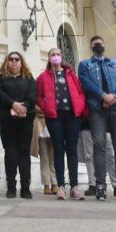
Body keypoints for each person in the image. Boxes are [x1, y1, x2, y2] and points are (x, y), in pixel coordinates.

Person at [77, 36, 116, 202]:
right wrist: (103, 96)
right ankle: (101, 186)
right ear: (91, 46)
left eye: (100, 43)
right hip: (97, 109)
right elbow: (85, 83)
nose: (98, 45)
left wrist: (114, 97)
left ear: (104, 45)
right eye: (95, 43)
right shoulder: (84, 65)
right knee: (99, 147)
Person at [37, 47, 86, 201]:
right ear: (49, 58)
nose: (56, 57)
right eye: (53, 55)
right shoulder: (43, 77)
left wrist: (80, 105)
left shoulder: (71, 74)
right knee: (58, 150)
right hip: (55, 117)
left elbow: (80, 92)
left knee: (72, 150)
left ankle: (75, 186)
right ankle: (61, 187)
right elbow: (39, 96)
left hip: (72, 115)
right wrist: (46, 107)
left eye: (58, 54)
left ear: (62, 57)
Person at [0, 51, 37, 198]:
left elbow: (33, 95)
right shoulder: (1, 78)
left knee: (24, 152)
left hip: (25, 121)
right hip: (7, 121)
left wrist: (24, 106)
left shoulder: (29, 78)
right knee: (10, 153)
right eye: (11, 59)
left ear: (21, 62)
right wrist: (13, 104)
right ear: (7, 62)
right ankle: (11, 187)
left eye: (17, 59)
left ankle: (25, 188)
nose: (14, 62)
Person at [81, 123, 116, 197]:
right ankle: (93, 184)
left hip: (106, 124)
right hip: (87, 122)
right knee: (89, 156)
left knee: (110, 155)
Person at [32, 106, 58, 194]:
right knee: (44, 157)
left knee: (54, 157)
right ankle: (46, 184)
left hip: (54, 121)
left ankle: (55, 183)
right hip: (40, 122)